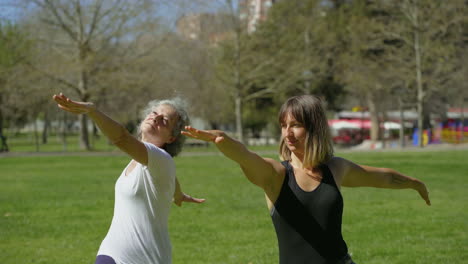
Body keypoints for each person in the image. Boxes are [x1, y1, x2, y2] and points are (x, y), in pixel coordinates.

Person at [182, 95, 430, 264]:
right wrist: (219, 138)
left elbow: (381, 177)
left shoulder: (336, 168)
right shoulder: (275, 175)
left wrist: (414, 183)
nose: (287, 133)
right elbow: (245, 156)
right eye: (283, 125)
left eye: (296, 125)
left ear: (314, 128)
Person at [52, 93, 205, 264]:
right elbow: (170, 179)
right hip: (112, 253)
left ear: (171, 138)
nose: (156, 118)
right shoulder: (146, 163)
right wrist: (178, 194)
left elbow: (121, 138)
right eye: (154, 113)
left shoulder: (161, 159)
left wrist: (93, 112)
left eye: (165, 121)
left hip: (144, 258)